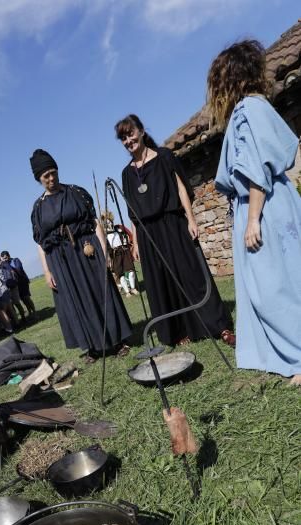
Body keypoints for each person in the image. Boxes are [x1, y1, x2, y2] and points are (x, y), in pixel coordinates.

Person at [208, 40, 301, 385]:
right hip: (277, 203)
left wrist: (251, 220)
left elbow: (255, 167)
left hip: (264, 210)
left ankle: (299, 357)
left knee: (274, 286)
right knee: (288, 278)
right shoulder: (257, 107)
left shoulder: (247, 111)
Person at [115, 114, 235, 347]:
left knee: (191, 273)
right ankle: (178, 332)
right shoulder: (126, 173)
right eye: (123, 138)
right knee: (162, 281)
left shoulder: (164, 157)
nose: (128, 140)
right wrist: (136, 243)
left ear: (140, 131)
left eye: (130, 133)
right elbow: (132, 211)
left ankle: (217, 325)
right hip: (148, 233)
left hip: (173, 223)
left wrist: (191, 219)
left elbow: (181, 188)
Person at [30, 148, 132, 362]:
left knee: (101, 292)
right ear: (38, 178)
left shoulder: (76, 192)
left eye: (53, 172)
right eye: (45, 175)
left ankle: (117, 341)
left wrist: (105, 253)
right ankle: (92, 347)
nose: (51, 178)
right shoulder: (38, 208)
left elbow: (95, 223)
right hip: (61, 260)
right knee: (76, 301)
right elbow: (41, 243)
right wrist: (47, 271)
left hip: (87, 250)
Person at [0, 251, 26, 322]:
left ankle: (23, 318)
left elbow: (12, 273)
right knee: (11, 306)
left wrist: (12, 283)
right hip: (5, 289)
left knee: (17, 303)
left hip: (12, 287)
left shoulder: (5, 264)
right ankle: (17, 320)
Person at [1, 250, 36, 316]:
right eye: (4, 258)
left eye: (6, 258)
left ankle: (34, 312)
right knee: (23, 299)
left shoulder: (15, 260)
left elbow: (19, 269)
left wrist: (8, 267)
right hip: (15, 285)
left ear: (9, 255)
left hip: (23, 282)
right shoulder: (4, 264)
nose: (5, 259)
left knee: (26, 298)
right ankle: (30, 312)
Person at [107, 224, 139, 298]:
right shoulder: (105, 234)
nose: (110, 224)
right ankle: (127, 292)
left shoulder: (119, 229)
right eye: (107, 222)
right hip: (115, 256)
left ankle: (133, 288)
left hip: (124, 252)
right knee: (121, 275)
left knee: (131, 271)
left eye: (110, 222)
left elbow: (127, 236)